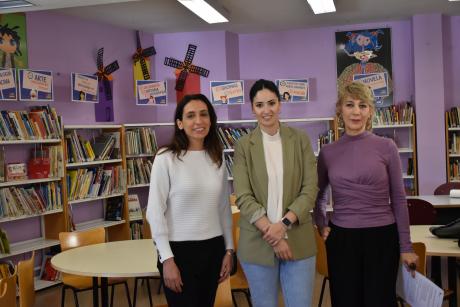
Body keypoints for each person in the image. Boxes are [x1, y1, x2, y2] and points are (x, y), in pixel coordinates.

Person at [314, 82, 418, 307]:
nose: (356, 111)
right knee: (345, 301)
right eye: (350, 105)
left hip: (381, 238)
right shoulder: (327, 152)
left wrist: (406, 247)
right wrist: (321, 224)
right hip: (342, 239)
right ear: (340, 109)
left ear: (370, 111)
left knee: (379, 301)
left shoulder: (386, 147)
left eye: (362, 105)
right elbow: (320, 194)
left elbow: (399, 199)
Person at [233, 79, 318, 307]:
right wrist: (272, 232)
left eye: (271, 103)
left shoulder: (299, 139)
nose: (266, 110)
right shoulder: (243, 146)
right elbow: (243, 195)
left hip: (298, 237)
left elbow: (310, 189)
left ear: (280, 104)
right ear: (252, 108)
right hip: (257, 241)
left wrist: (283, 226)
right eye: (259, 105)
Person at [146, 93, 234, 307]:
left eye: (204, 114)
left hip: (213, 250)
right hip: (178, 253)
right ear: (180, 123)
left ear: (211, 120)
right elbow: (154, 212)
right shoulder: (166, 158)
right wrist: (166, 259)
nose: (198, 121)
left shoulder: (217, 157)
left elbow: (223, 207)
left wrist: (229, 250)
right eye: (191, 115)